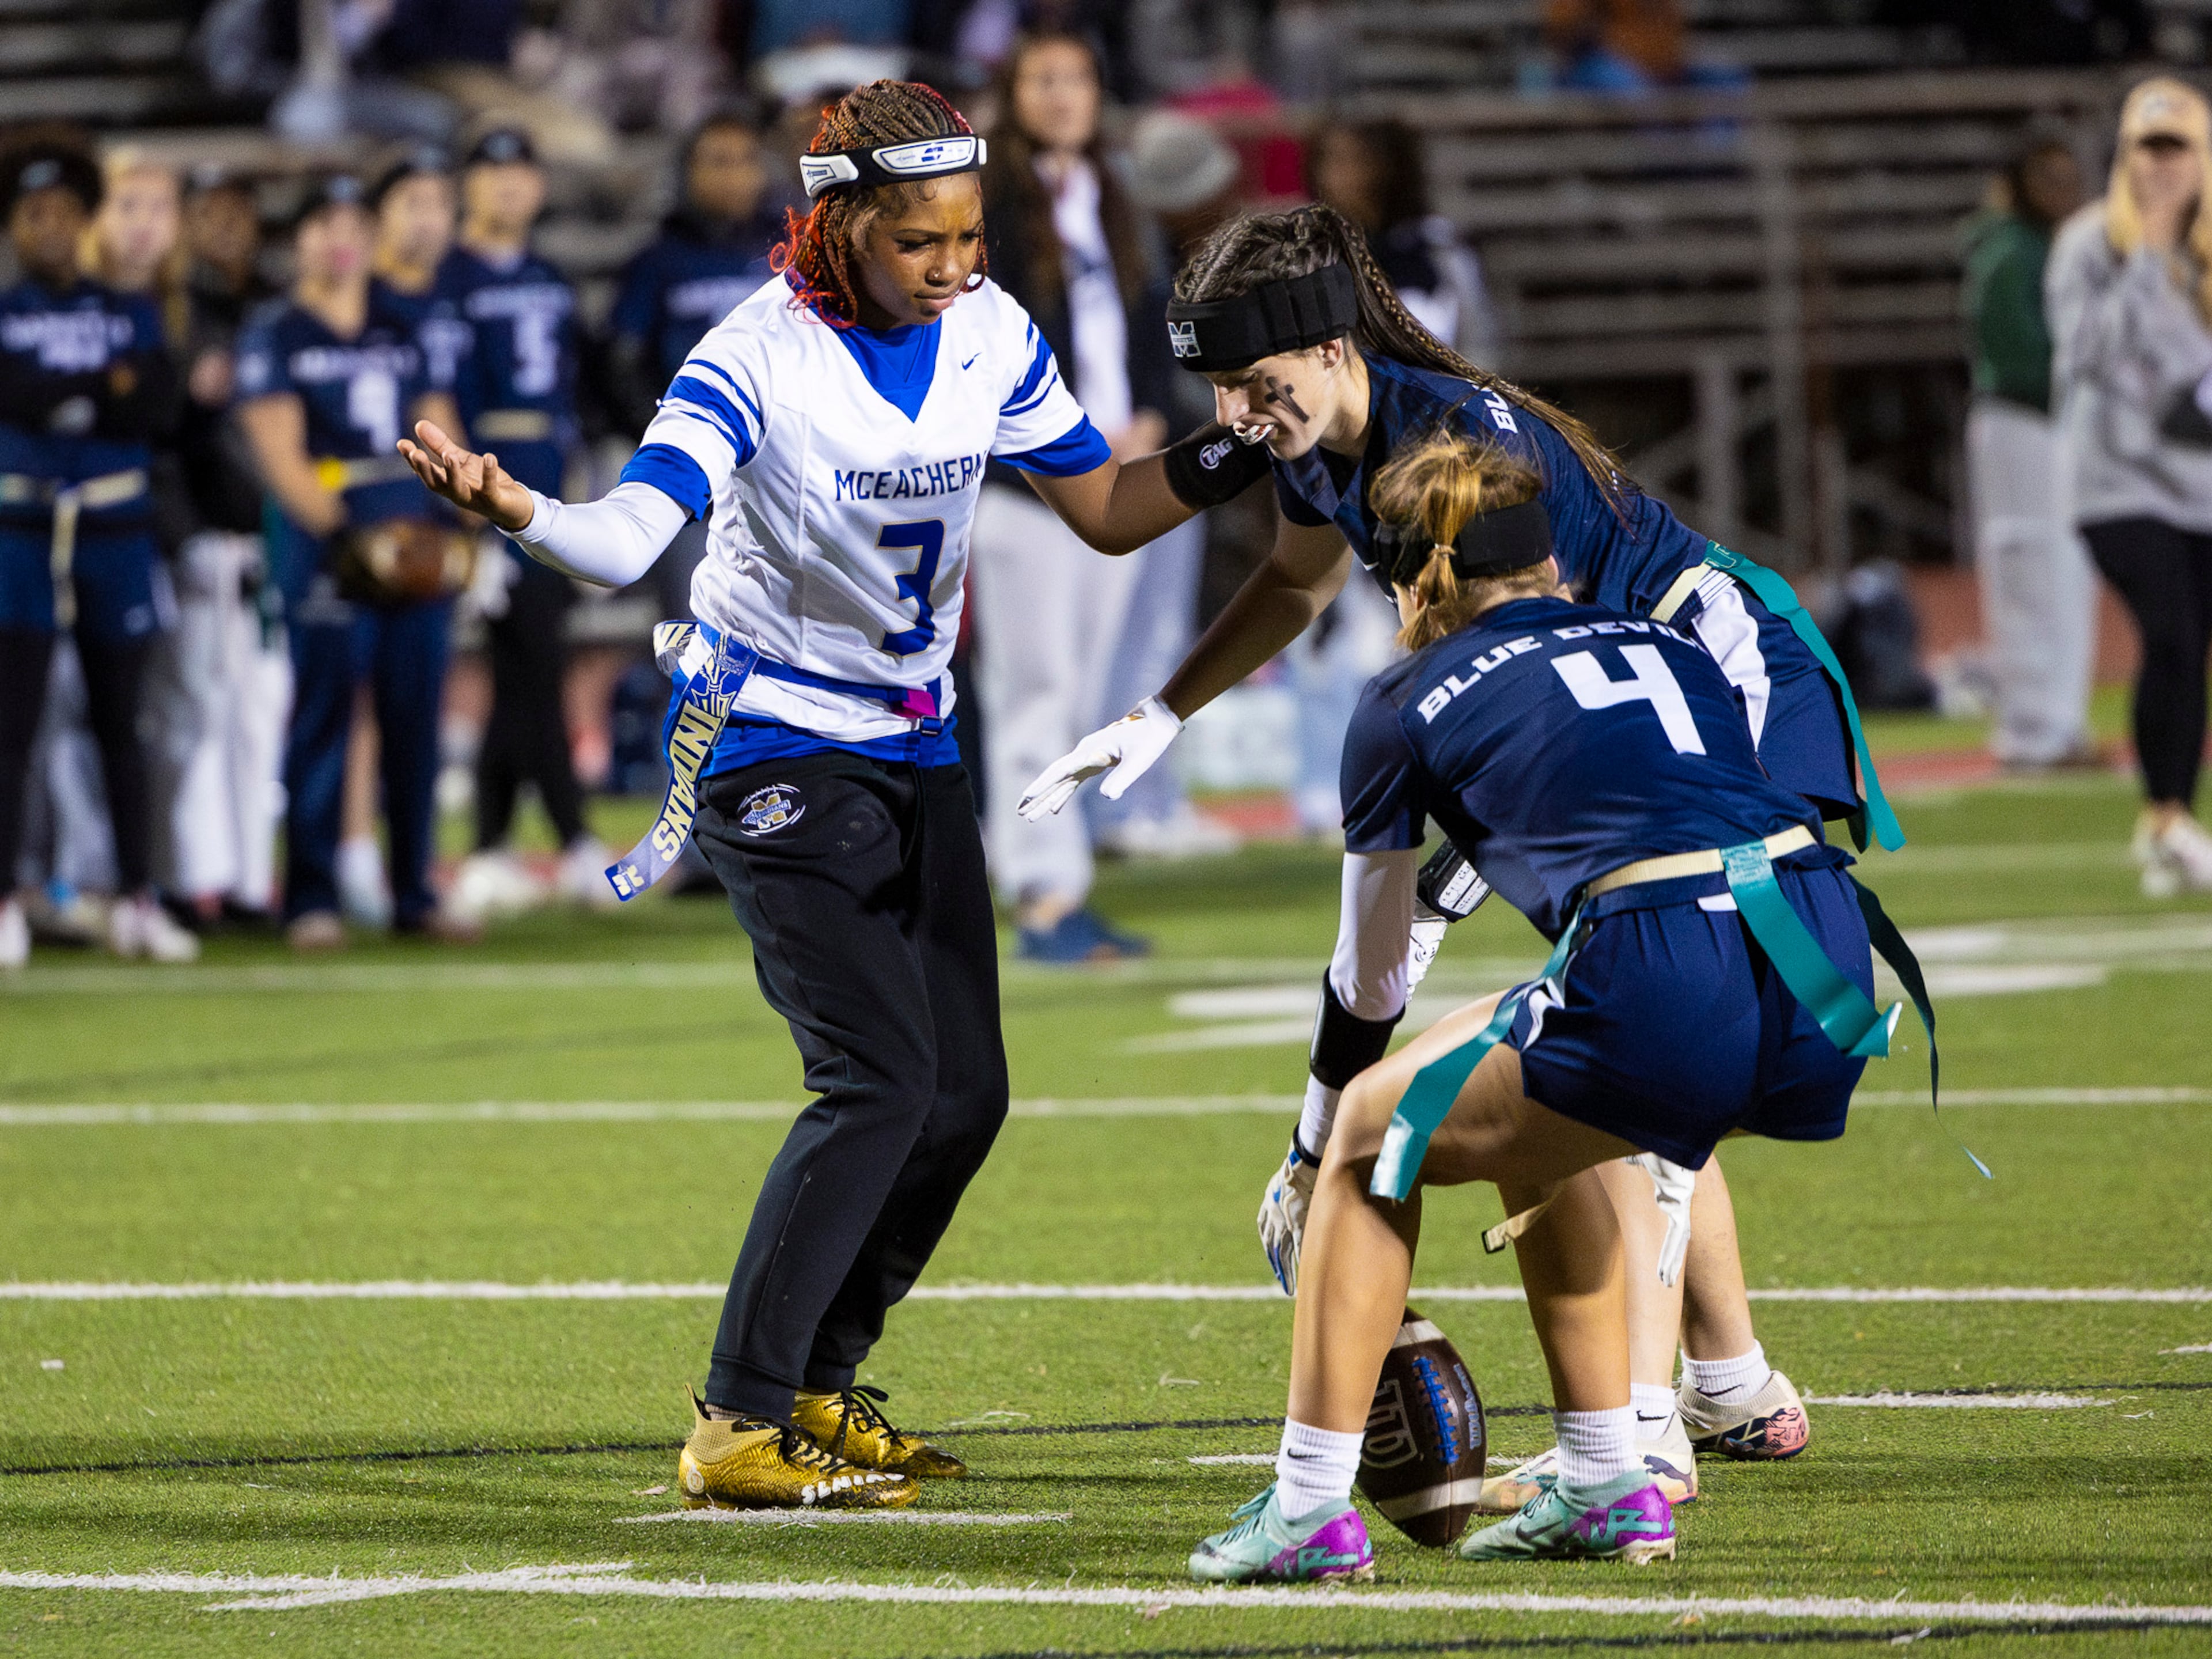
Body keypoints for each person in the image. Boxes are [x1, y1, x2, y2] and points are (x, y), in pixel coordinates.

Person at [397, 77, 1248, 1508]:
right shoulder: (754, 354)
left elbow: (1104, 509)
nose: (955, 265)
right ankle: (734, 1418)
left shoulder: (985, 328)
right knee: (874, 1076)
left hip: (915, 741)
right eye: (920, 239)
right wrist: (516, 511)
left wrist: (1244, 449)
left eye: (970, 234)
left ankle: (811, 1378)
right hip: (771, 741)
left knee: (964, 1094)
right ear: (837, 220)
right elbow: (623, 543)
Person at [1186, 430, 1906, 1579]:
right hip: (1824, 966)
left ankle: (1308, 1509)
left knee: (1375, 1132)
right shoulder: (1663, 641)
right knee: (1544, 1102)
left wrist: (1311, 1145)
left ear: (1417, 579)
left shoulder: (1404, 697)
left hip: (1672, 973)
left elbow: (1372, 976)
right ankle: (1605, 1476)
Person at [970, 30, 1190, 959]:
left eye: (1077, 79)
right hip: (1028, 489)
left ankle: (1065, 877)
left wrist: (1145, 414)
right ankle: (1042, 895)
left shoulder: (1117, 197)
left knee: (1092, 690)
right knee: (1036, 690)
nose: (1062, 96)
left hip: (1113, 478)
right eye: (1042, 80)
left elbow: (1150, 322)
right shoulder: (989, 203)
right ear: (1012, 92)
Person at [234, 173, 469, 949]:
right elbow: (279, 452)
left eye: (351, 222)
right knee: (324, 719)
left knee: (415, 721)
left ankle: (414, 893)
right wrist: (343, 538)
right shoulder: (278, 332)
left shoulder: (400, 325)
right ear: (297, 238)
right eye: (321, 221)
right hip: (330, 546)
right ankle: (309, 897)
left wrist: (468, 516)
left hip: (410, 540)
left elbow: (439, 428)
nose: (338, 237)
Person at [0, 137, 196, 968]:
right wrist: (95, 389)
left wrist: (62, 398)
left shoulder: (131, 311)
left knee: (128, 724)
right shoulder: (9, 311)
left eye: (65, 216)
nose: (51, 229)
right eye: (34, 215)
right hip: (21, 534)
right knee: (14, 727)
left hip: (115, 537)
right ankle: (11, 896)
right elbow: (18, 394)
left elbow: (153, 406)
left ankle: (138, 896)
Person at [434, 126, 615, 920]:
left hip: (550, 479)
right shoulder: (449, 277)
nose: (510, 187)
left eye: (521, 172)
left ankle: (493, 843)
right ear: (467, 186)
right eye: (493, 172)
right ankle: (567, 838)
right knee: (532, 664)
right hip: (489, 482)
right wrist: (467, 503)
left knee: (530, 667)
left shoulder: (548, 275)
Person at [2048, 78, 2212, 897]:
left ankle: (2169, 824)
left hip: (2201, 483)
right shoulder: (2091, 243)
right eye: (2149, 147)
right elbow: (2086, 355)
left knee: (2190, 649)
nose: (2163, 163)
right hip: (2115, 484)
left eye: (2177, 145)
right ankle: (2168, 814)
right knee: (2174, 632)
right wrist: (2148, 252)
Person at [150, 164, 290, 928]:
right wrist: (182, 535)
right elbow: (160, 439)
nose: (226, 229)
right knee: (191, 713)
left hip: (265, 539)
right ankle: (185, 877)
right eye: (210, 213)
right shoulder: (170, 313)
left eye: (239, 211)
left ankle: (241, 879)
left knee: (257, 714)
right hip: (199, 541)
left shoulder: (272, 311)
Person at [605, 107, 783, 619]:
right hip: (694, 479)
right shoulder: (657, 262)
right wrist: (672, 441)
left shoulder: (787, 256)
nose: (733, 175)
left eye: (745, 160)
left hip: (778, 472)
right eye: (717, 161)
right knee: (696, 636)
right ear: (688, 173)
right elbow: (621, 367)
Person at [1963, 132, 2096, 773]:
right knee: (2029, 565)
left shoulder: (2059, 248)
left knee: (2065, 570)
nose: (2062, 191)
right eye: (2048, 177)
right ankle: (2032, 729)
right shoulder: (2010, 250)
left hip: (2055, 426)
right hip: (2022, 421)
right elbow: (2022, 354)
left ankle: (2059, 724)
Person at [1306, 118, 1498, 369]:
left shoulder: (1433, 244)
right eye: (1328, 159)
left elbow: (1466, 335)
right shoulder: (1314, 248)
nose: (1333, 175)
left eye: (1353, 161)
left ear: (1387, 168)